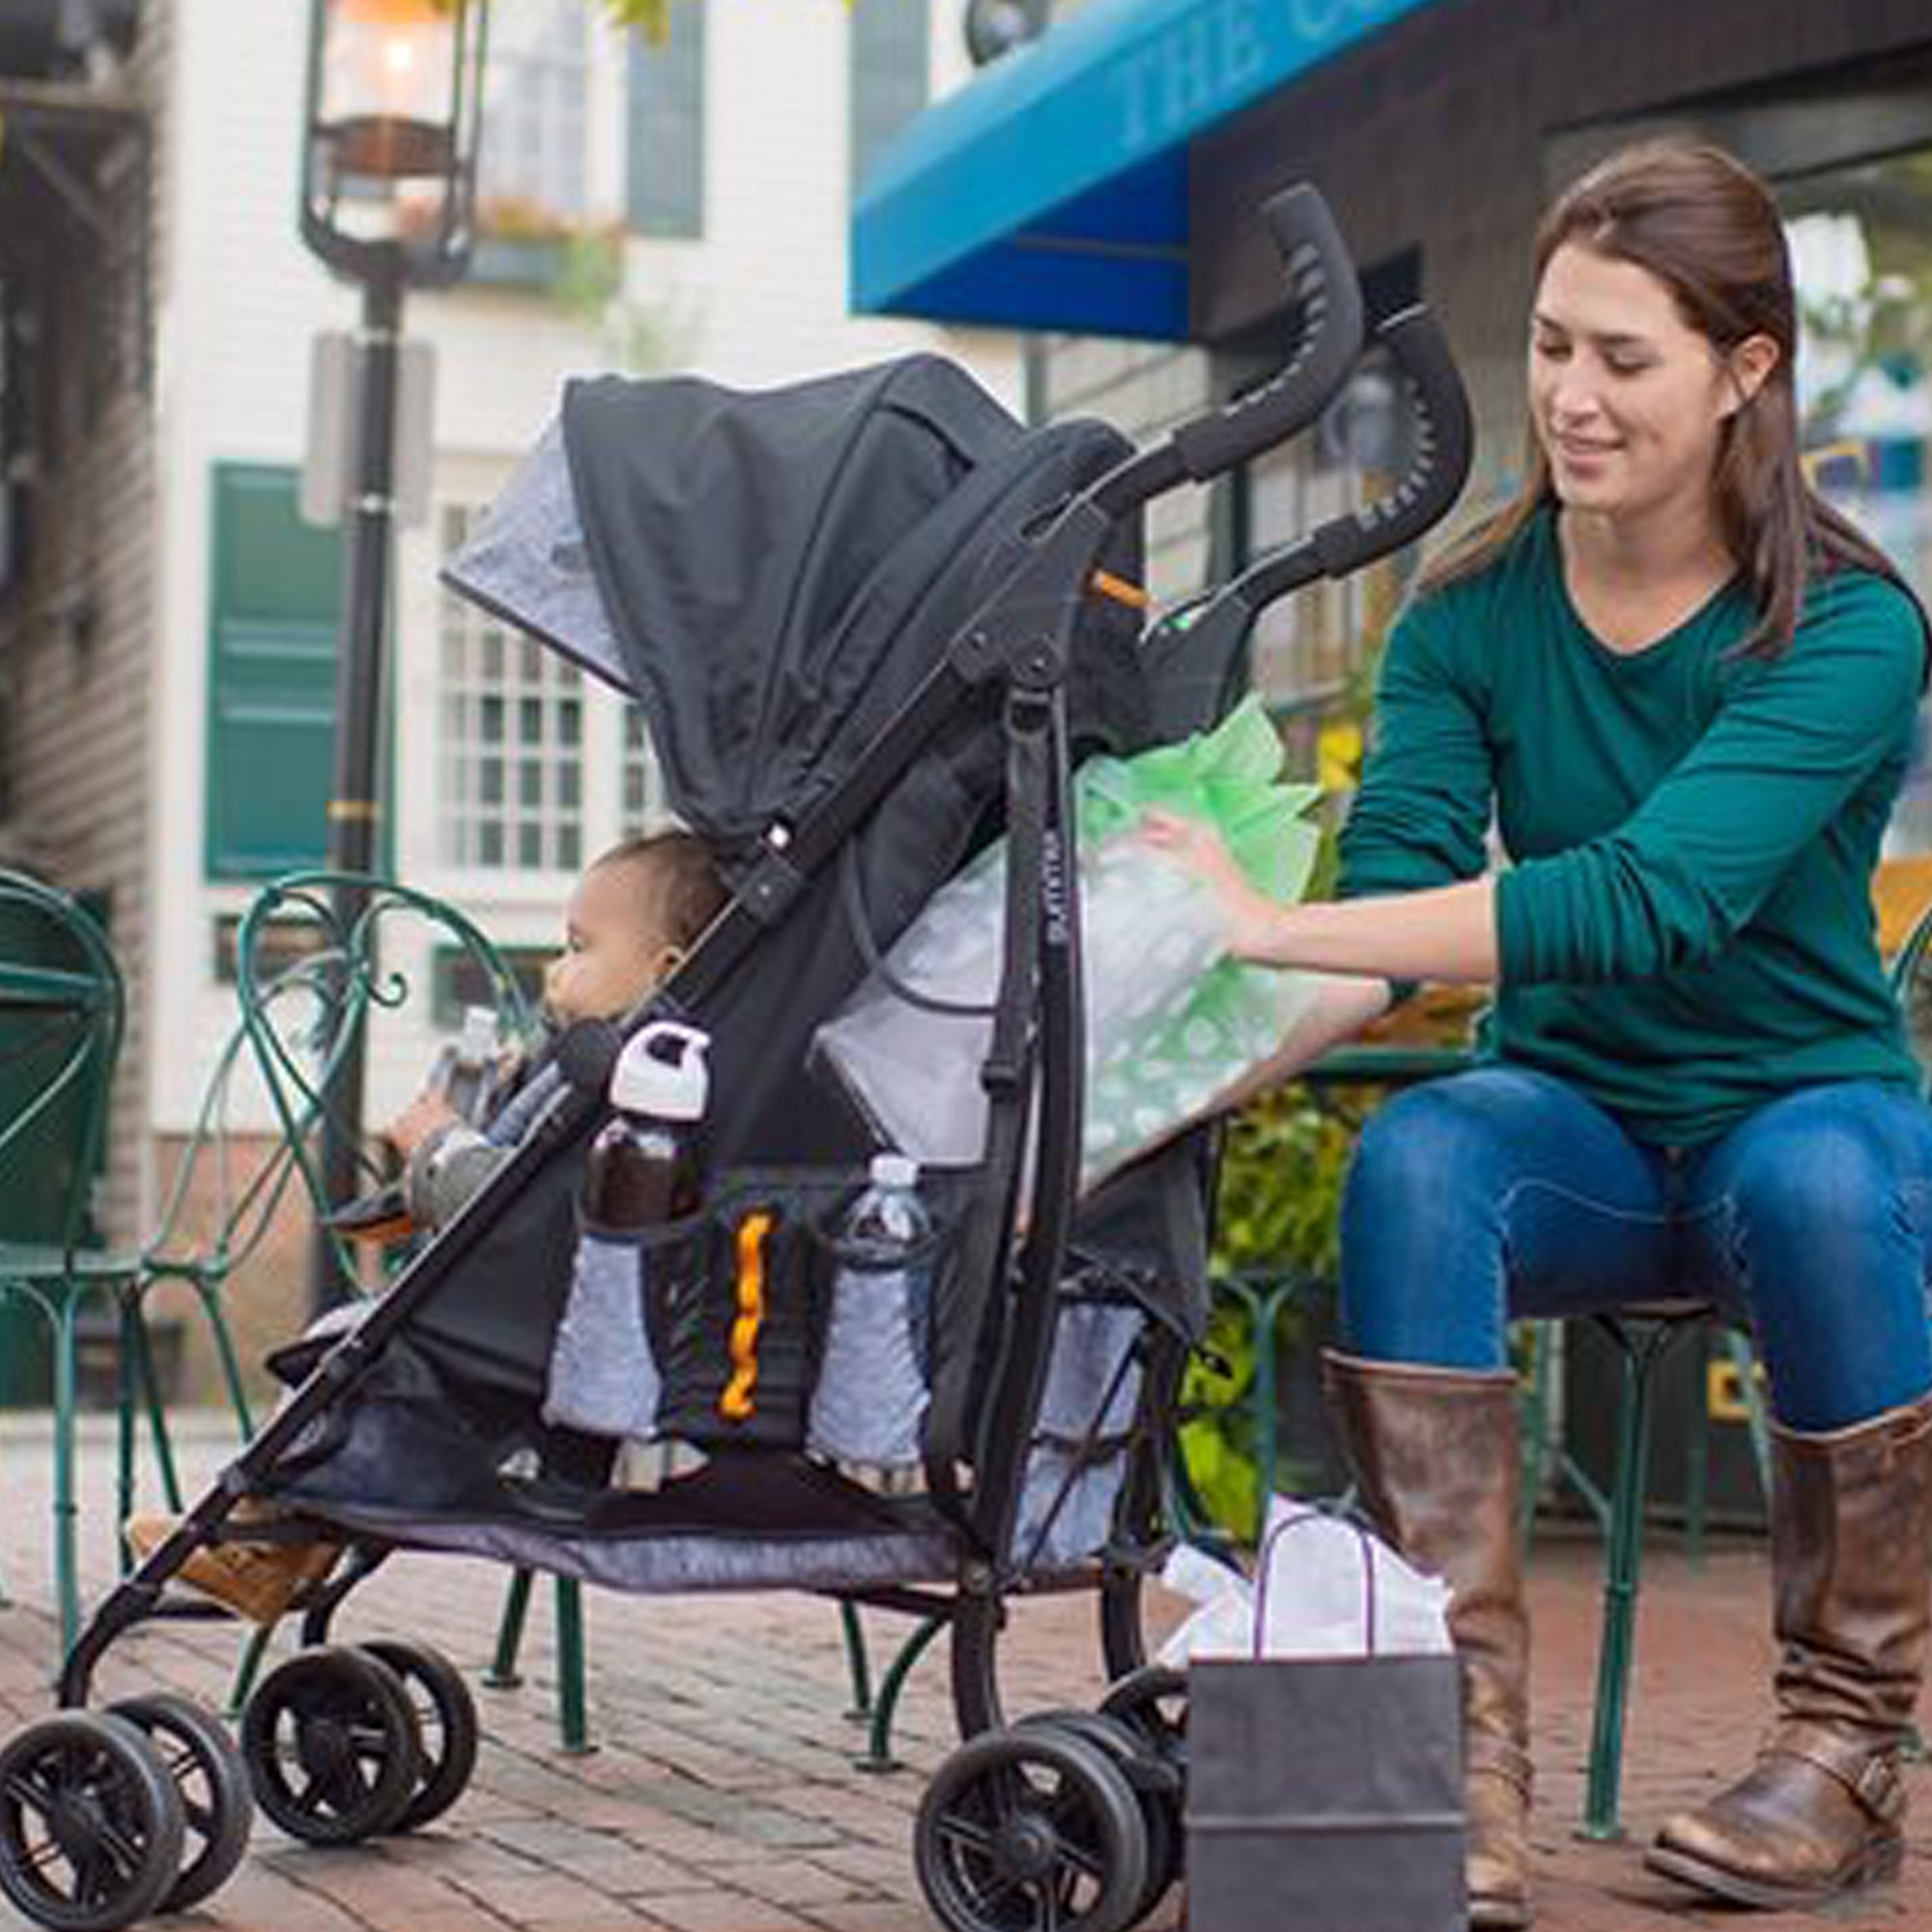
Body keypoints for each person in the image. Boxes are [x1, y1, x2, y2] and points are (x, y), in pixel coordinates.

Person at [1148, 138, 1932, 1927]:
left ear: (1747, 374)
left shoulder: (1853, 629)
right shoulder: (1470, 617)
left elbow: (1648, 900)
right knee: (1428, 1153)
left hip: (1801, 1122)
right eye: (1553, 347)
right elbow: (1396, 924)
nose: (1571, 399)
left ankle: (1844, 1749)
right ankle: (1453, 1755)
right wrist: (1161, 1097)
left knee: (1824, 1182)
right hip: (1578, 1140)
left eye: (1625, 360)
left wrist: (1268, 914)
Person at [125, 829, 727, 1622]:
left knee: (355, 1341)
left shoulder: (625, 1085)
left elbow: (510, 1212)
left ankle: (261, 1529)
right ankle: (274, 1550)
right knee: (367, 1357)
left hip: (529, 1330)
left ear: (666, 973)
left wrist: (437, 1145)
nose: (555, 967)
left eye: (579, 947)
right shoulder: (616, 1069)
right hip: (541, 1331)